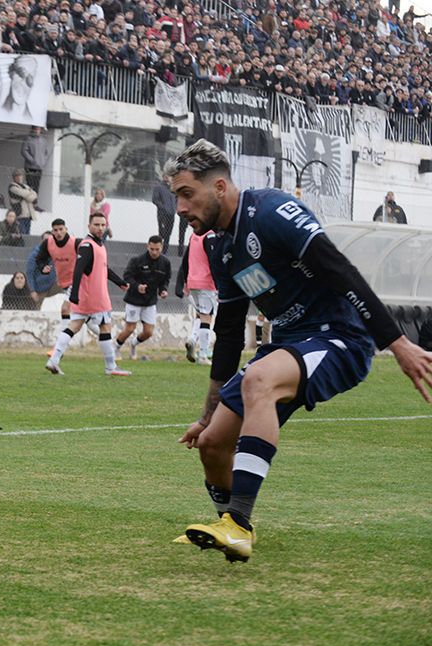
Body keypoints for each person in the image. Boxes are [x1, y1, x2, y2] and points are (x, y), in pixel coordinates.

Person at [168, 139, 432, 563]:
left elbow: (339, 269)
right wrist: (206, 414)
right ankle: (232, 531)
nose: (180, 208)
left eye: (186, 194)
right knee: (213, 443)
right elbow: (231, 331)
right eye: (176, 197)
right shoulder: (218, 245)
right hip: (288, 344)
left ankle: (237, 521)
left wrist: (397, 342)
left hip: (339, 337)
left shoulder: (272, 212)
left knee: (259, 379)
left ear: (219, 187)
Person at [44, 212, 130, 377]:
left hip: (89, 295)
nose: (100, 228)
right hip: (94, 296)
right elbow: (78, 270)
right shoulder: (87, 245)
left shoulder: (99, 245)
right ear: (89, 226)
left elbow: (104, 269)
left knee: (74, 326)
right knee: (105, 327)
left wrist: (120, 282)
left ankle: (53, 360)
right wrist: (74, 293)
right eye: (96, 225)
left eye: (103, 225)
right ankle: (111, 366)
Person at [115, 235, 172, 360]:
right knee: (130, 329)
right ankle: (116, 349)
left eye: (157, 249)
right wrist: (137, 286)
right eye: (152, 249)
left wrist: (163, 291)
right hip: (134, 300)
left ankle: (133, 345)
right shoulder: (137, 260)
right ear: (148, 246)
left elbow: (165, 280)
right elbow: (127, 276)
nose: (154, 252)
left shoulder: (165, 263)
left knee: (148, 332)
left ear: (161, 247)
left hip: (150, 302)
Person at [175, 228, 218, 365]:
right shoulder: (210, 235)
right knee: (207, 317)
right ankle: (203, 355)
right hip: (206, 282)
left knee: (200, 315)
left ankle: (193, 339)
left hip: (193, 282)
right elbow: (213, 260)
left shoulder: (195, 235)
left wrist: (186, 281)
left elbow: (186, 260)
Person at [33, 218, 77, 331]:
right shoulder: (48, 243)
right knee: (85, 316)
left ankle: (61, 342)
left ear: (66, 229)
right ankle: (108, 340)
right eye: (55, 230)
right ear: (52, 231)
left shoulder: (75, 242)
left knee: (65, 309)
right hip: (63, 282)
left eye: (61, 229)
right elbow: (39, 259)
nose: (58, 232)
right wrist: (43, 268)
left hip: (77, 281)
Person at [152, 174, 181, 255]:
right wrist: (163, 207)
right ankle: (159, 250)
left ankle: (165, 251)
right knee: (162, 232)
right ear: (163, 176)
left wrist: (175, 207)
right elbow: (155, 199)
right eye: (166, 176)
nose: (168, 178)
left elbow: (176, 199)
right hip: (162, 214)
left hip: (171, 214)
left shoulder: (173, 188)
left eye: (169, 176)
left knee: (169, 233)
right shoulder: (159, 187)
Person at [21, 125, 49, 195]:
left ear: (40, 130)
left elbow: (46, 153)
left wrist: (43, 162)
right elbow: (24, 151)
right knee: (30, 185)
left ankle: (34, 203)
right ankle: (29, 202)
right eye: (35, 129)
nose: (37, 131)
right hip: (30, 167)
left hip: (39, 167)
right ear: (32, 130)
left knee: (36, 186)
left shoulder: (43, 140)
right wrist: (32, 161)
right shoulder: (28, 139)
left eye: (38, 129)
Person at [8, 169, 37, 234]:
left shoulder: (25, 186)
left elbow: (34, 194)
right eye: (16, 176)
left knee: (27, 234)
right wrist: (30, 194)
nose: (19, 177)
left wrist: (29, 195)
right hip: (20, 214)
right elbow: (23, 194)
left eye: (20, 175)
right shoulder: (12, 187)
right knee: (22, 233)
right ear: (14, 178)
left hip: (28, 215)